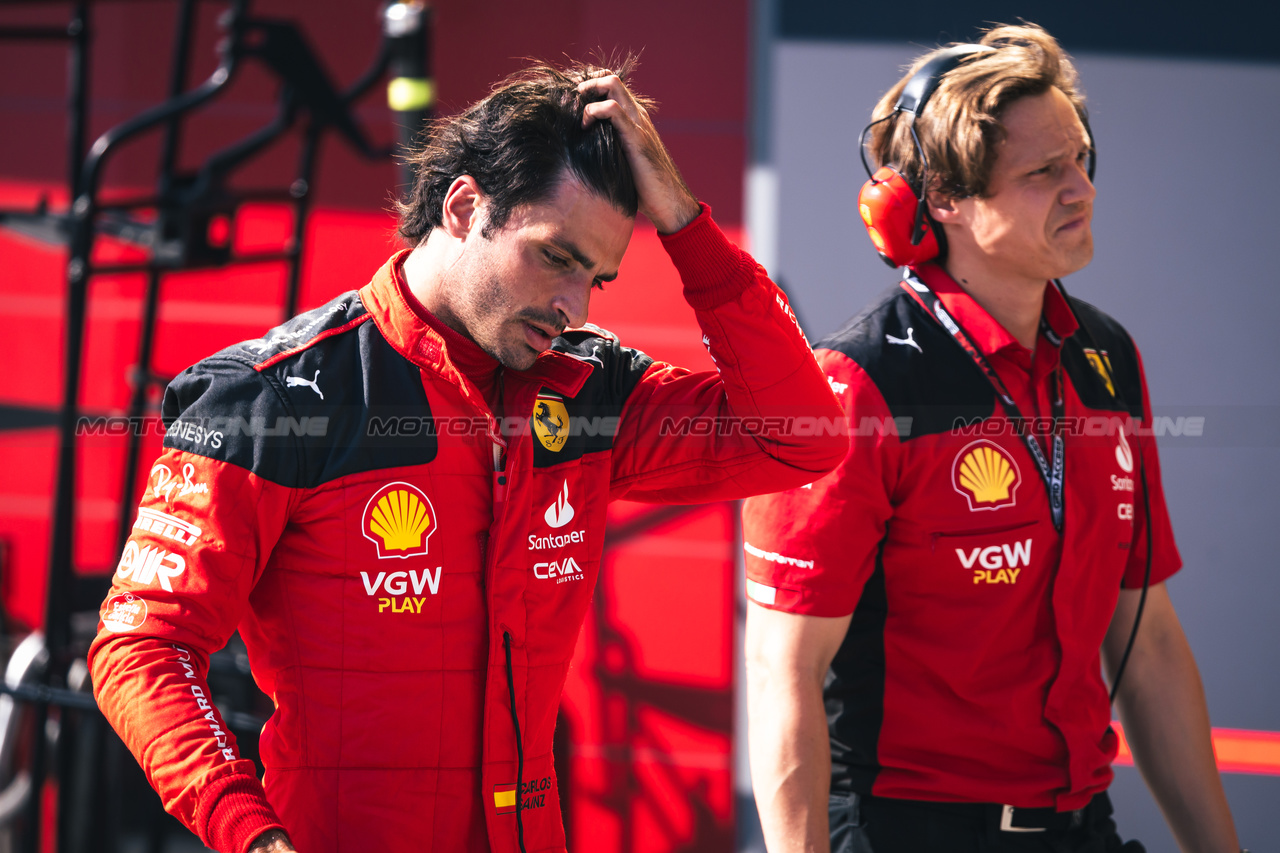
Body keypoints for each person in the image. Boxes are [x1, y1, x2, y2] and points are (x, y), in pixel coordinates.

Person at [88, 59, 847, 853]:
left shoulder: (585, 393)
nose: (574, 306)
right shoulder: (277, 397)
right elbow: (141, 643)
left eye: (598, 277)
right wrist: (250, 836)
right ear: (463, 205)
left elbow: (802, 437)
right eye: (557, 256)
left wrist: (688, 225)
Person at [741, 24, 1243, 853]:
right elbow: (781, 668)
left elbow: (1146, 641)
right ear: (937, 200)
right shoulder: (857, 386)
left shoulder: (1106, 359)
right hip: (908, 832)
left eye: (1082, 158)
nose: (1081, 188)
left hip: (1081, 825)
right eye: (1044, 172)